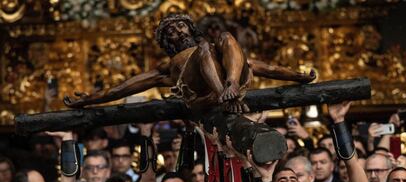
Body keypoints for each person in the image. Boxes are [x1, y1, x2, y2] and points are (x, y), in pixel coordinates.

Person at [63, 13, 315, 114]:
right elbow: (123, 88)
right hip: (203, 92)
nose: (178, 31)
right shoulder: (168, 66)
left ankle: (230, 87)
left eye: (180, 25)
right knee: (205, 47)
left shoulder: (218, 51)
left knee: (226, 37)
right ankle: (227, 94)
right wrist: (89, 99)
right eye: (170, 31)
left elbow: (265, 68)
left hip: (232, 82)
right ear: (166, 41)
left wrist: (297, 77)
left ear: (190, 27)